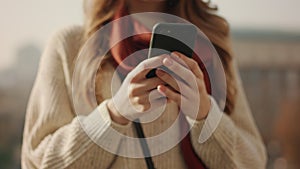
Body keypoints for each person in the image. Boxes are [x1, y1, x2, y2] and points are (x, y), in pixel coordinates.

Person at [21, 0, 267, 168]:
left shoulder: (211, 45)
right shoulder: (70, 45)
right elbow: (36, 161)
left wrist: (205, 114)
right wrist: (115, 114)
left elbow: (253, 161)